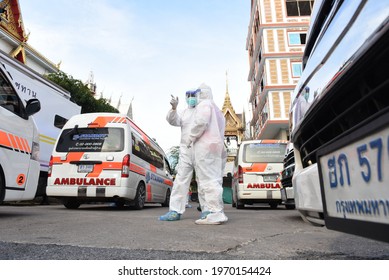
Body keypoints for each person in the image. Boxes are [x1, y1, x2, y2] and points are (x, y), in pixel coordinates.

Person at [186, 83, 228, 225]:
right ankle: (215, 211)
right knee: (215, 179)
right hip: (216, 147)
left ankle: (214, 213)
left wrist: (190, 137)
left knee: (207, 180)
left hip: (205, 147)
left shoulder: (204, 105)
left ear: (201, 93)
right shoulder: (217, 109)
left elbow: (200, 123)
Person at [159, 88, 200, 221]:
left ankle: (209, 210)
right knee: (181, 180)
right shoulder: (183, 112)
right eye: (188, 95)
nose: (191, 98)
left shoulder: (203, 111)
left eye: (193, 95)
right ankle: (175, 211)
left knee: (205, 180)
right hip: (186, 151)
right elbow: (172, 121)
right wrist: (174, 108)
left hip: (201, 151)